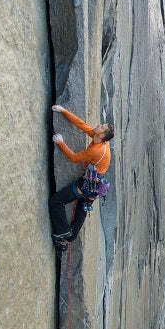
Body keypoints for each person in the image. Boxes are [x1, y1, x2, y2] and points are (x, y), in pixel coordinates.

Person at [48, 104, 114, 252]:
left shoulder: (97, 150)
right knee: (81, 211)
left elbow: (74, 158)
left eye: (101, 127)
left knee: (56, 202)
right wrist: (64, 110)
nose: (98, 125)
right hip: (94, 184)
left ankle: (64, 233)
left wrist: (61, 143)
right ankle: (69, 237)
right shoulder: (101, 141)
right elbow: (82, 125)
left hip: (86, 184)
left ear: (102, 135)